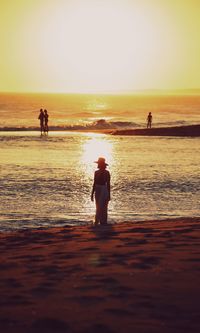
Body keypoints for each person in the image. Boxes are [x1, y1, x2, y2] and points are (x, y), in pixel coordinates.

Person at [91, 157, 111, 225]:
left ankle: (103, 221)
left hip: (103, 189)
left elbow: (108, 184)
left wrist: (109, 194)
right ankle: (97, 220)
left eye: (99, 164)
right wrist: (92, 193)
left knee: (104, 206)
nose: (98, 165)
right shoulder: (96, 172)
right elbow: (94, 183)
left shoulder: (107, 173)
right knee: (98, 205)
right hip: (98, 188)